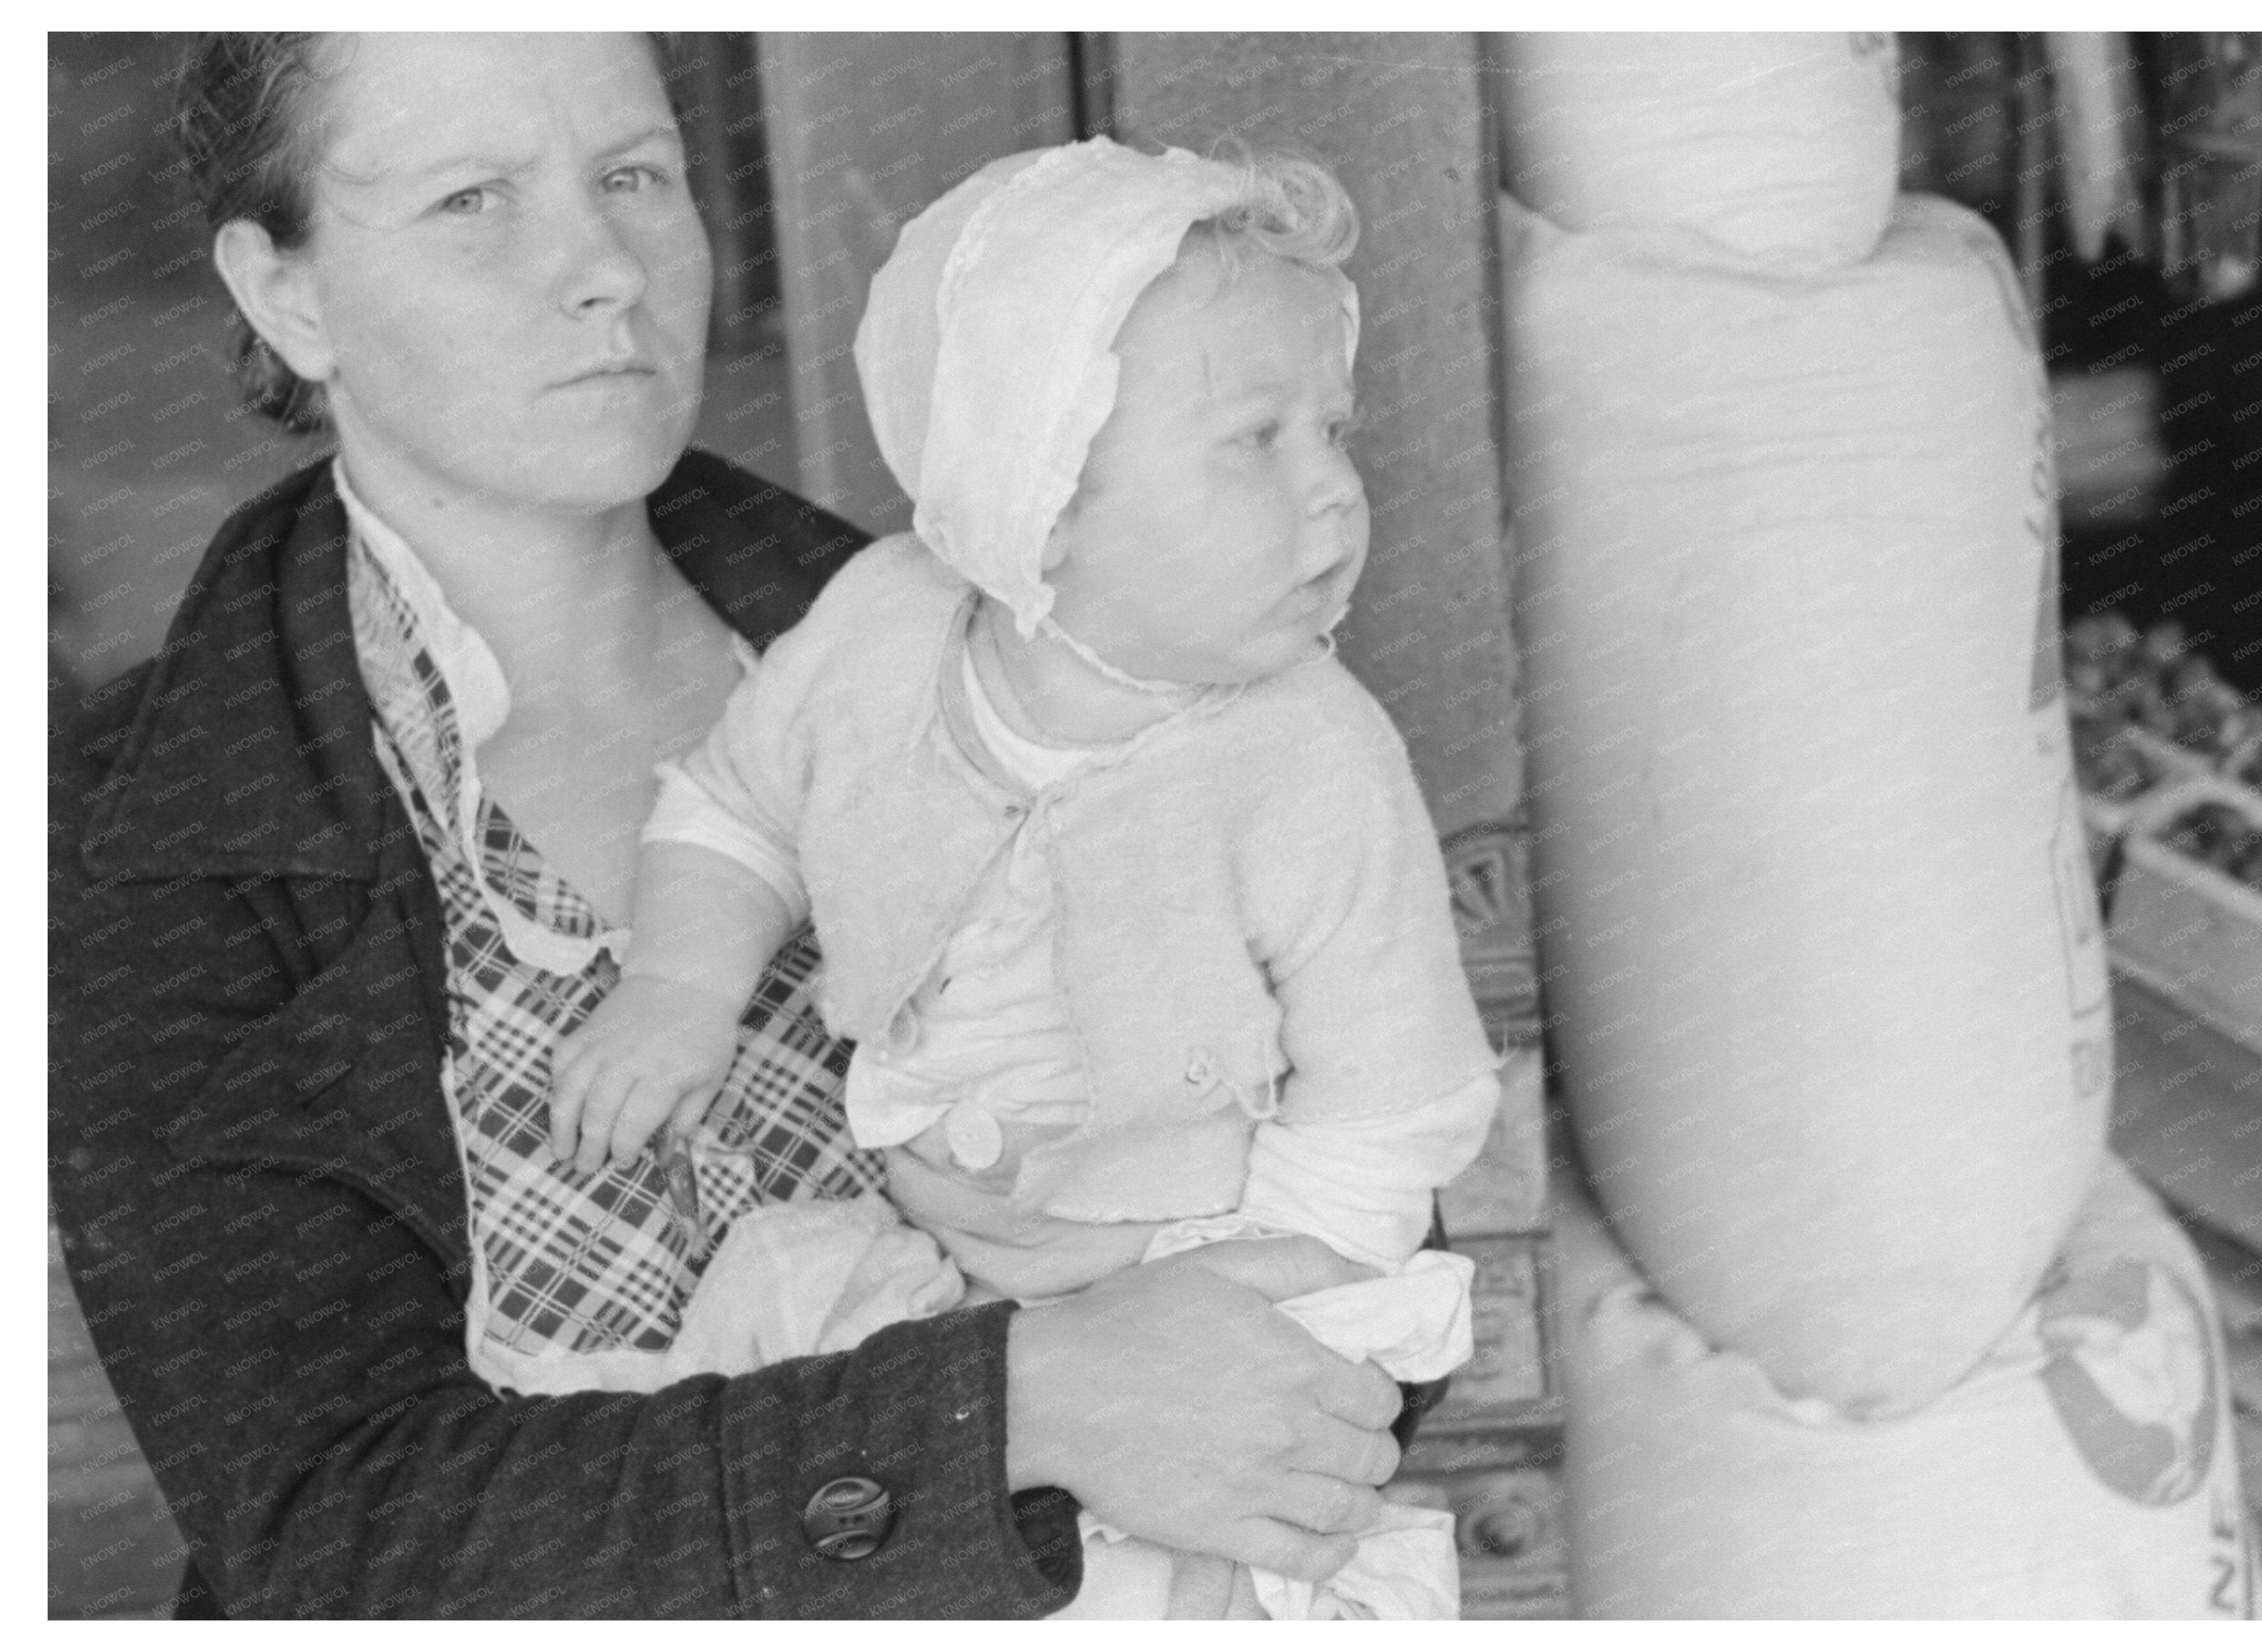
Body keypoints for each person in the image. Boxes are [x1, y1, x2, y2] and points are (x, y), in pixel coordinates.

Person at [48, 33, 1409, 1619]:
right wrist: (1009, 1407)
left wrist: (1191, 1253)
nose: (605, 269)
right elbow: (337, 1539)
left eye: (634, 177)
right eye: (473, 199)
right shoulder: (135, 841)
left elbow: (1375, 1204)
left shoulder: (1038, 648)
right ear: (286, 292)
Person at [543, 138, 1505, 1619]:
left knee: (1176, 1579)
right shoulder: (877, 640)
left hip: (1197, 1254)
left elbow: (1394, 1104)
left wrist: (1237, 1305)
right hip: (922, 1251)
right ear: (1038, 494)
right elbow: (737, 808)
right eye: (1257, 440)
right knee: (773, 1331)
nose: (1332, 495)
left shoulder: (1315, 760)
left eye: (1338, 431)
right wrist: (681, 985)